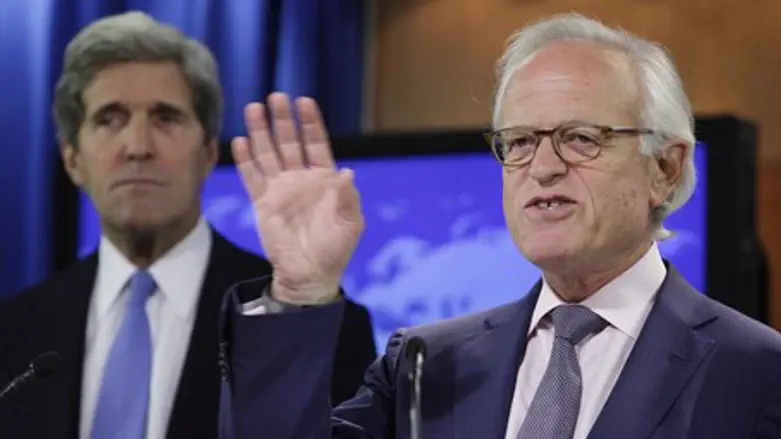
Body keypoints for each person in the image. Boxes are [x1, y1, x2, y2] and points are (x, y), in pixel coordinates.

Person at [217, 12, 781, 439]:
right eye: (520, 142)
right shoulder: (425, 365)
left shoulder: (756, 373)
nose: (542, 167)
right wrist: (299, 291)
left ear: (666, 167)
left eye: (581, 138)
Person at [0, 11, 377, 439]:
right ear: (72, 159)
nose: (138, 147)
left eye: (166, 118)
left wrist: (304, 299)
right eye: (109, 119)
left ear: (208, 153)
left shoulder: (309, 320)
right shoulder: (11, 334)